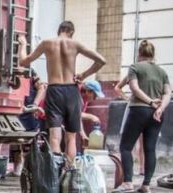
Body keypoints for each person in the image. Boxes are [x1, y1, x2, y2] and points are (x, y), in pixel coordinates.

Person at [18, 21, 107, 162]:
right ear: (71, 32)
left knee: (54, 137)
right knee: (71, 138)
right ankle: (69, 172)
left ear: (59, 30)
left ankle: (56, 172)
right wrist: (83, 75)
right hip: (72, 91)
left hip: (54, 90)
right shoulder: (75, 44)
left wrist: (22, 45)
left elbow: (24, 62)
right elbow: (101, 60)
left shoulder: (46, 43)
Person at [113, 40, 171, 193]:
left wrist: (150, 102)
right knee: (150, 149)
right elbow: (167, 93)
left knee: (126, 147)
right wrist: (160, 107)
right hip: (156, 113)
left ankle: (128, 183)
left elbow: (134, 88)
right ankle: (146, 185)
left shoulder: (135, 67)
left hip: (138, 110)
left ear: (139, 53)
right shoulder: (162, 72)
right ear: (153, 54)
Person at [9, 67, 46, 176]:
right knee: (13, 139)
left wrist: (35, 104)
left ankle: (31, 170)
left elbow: (41, 88)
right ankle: (18, 168)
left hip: (28, 109)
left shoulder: (30, 71)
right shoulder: (10, 68)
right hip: (14, 108)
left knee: (29, 141)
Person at [114, 73, 145, 175]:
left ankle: (142, 168)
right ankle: (128, 169)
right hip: (135, 105)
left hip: (146, 105)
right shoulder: (133, 73)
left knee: (143, 140)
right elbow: (117, 87)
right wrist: (126, 97)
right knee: (129, 140)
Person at [79, 79, 105, 145]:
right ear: (88, 91)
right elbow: (74, 113)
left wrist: (83, 136)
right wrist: (92, 117)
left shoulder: (85, 101)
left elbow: (78, 118)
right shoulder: (76, 94)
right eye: (95, 95)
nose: (95, 98)